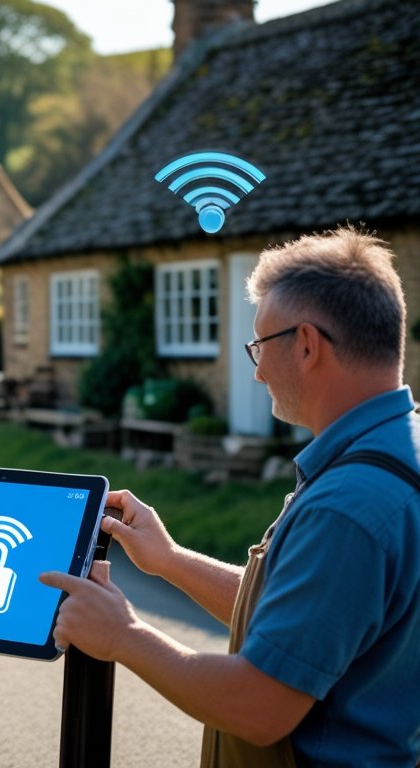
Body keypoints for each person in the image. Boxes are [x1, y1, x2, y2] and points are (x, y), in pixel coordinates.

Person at [42, 226, 420, 766]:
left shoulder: (349, 506)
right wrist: (170, 561)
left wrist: (123, 635)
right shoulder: (398, 449)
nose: (260, 371)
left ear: (308, 344)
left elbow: (257, 706)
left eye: (260, 345)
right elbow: (306, 611)